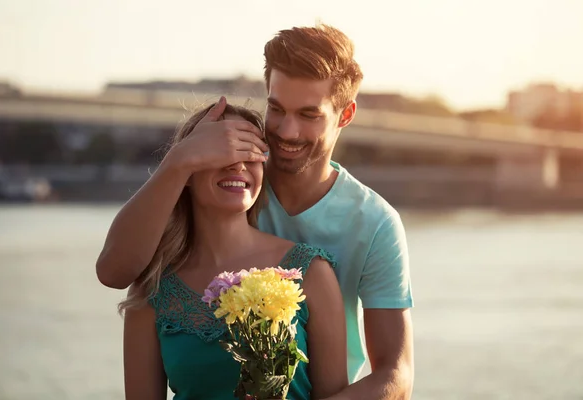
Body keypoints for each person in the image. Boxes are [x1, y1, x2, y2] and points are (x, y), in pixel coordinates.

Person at [97, 23, 414, 399]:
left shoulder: (374, 224)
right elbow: (116, 272)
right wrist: (179, 161)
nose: (287, 131)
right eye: (276, 109)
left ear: (344, 116)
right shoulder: (226, 190)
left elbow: (397, 374)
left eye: (309, 115)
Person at [119, 103, 348, 400]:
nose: (237, 165)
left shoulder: (311, 272)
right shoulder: (152, 288)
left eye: (250, 154)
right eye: (220, 153)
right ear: (185, 170)